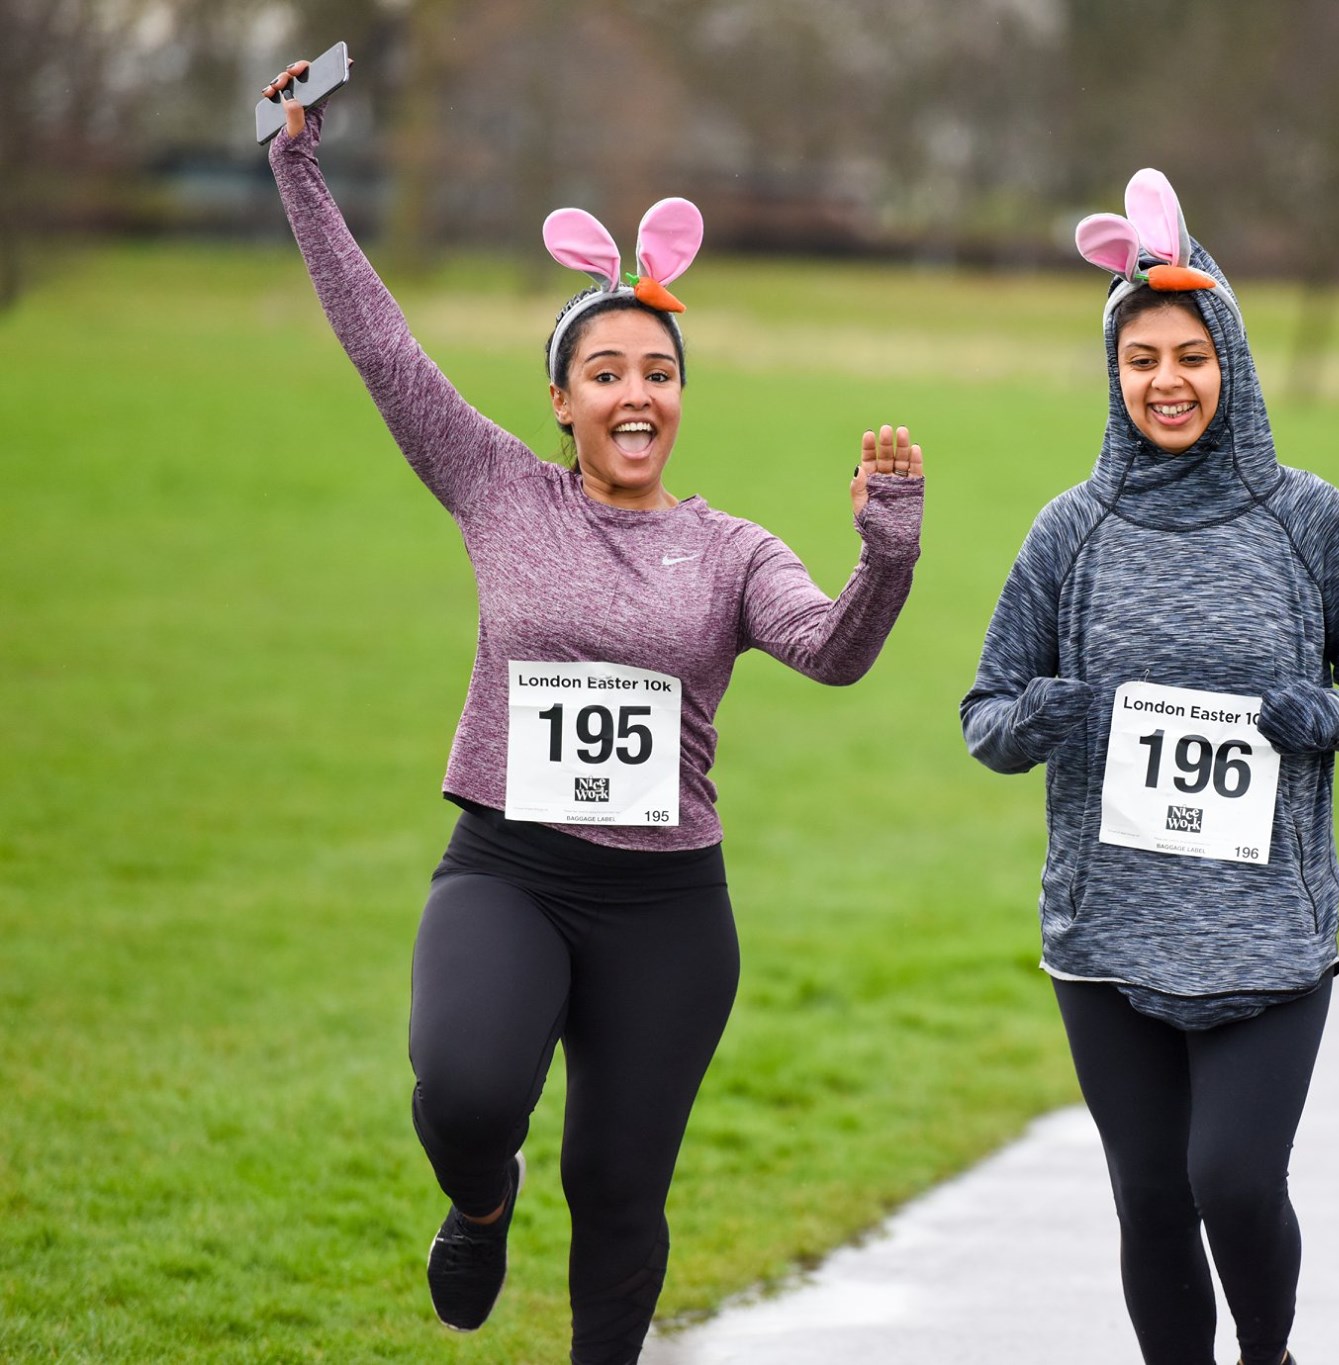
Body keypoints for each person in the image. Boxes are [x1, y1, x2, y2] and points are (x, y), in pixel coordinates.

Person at [260, 58, 925, 1364]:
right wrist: (298, 166)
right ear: (562, 401)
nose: (635, 394)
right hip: (510, 870)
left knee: (619, 1194)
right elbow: (381, 345)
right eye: (605, 372)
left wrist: (886, 557)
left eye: (658, 373)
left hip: (667, 908)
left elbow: (832, 651)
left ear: (680, 399)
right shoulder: (498, 489)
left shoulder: (732, 550)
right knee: (465, 1095)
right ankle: (480, 1200)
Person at [961, 170, 1339, 1365]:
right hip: (1107, 932)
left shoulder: (1307, 520)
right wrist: (1038, 718)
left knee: (1232, 1182)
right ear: (1112, 374)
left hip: (1266, 928)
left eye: (1190, 355)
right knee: (1152, 1202)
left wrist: (1326, 716)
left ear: (1232, 363)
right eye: (1139, 359)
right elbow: (984, 715)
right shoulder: (1069, 532)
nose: (1165, 381)